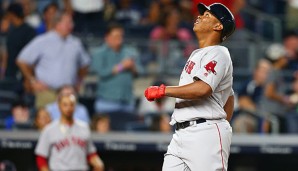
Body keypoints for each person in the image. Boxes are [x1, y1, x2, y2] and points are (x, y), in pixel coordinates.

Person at [144, 3, 235, 170]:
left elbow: (203, 89)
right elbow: (229, 95)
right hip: (181, 133)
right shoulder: (196, 54)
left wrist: (164, 90)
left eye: (207, 15)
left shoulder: (220, 52)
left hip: (205, 133)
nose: (200, 16)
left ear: (218, 26)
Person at [17, 12, 90, 108]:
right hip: (47, 92)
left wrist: (79, 81)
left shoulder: (75, 43)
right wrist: (33, 81)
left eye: (71, 23)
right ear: (58, 24)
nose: (71, 25)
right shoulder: (43, 41)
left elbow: (85, 64)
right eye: (68, 22)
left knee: (69, 122)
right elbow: (22, 60)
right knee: (46, 121)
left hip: (69, 93)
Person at [35, 92, 104, 171]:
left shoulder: (84, 127)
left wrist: (98, 163)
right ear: (59, 106)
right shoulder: (49, 129)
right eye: (65, 105)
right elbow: (41, 158)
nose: (68, 108)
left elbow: (90, 153)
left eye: (71, 105)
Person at [91, 23, 140, 114]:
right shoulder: (99, 53)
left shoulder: (130, 52)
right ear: (107, 37)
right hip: (106, 102)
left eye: (121, 36)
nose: (119, 38)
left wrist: (132, 67)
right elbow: (102, 72)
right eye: (116, 36)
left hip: (127, 101)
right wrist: (122, 66)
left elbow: (139, 72)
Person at [3, 3, 36, 80]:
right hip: (9, 73)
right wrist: (3, 70)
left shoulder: (29, 31)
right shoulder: (11, 30)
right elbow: (7, 52)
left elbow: (32, 55)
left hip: (22, 74)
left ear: (11, 14)